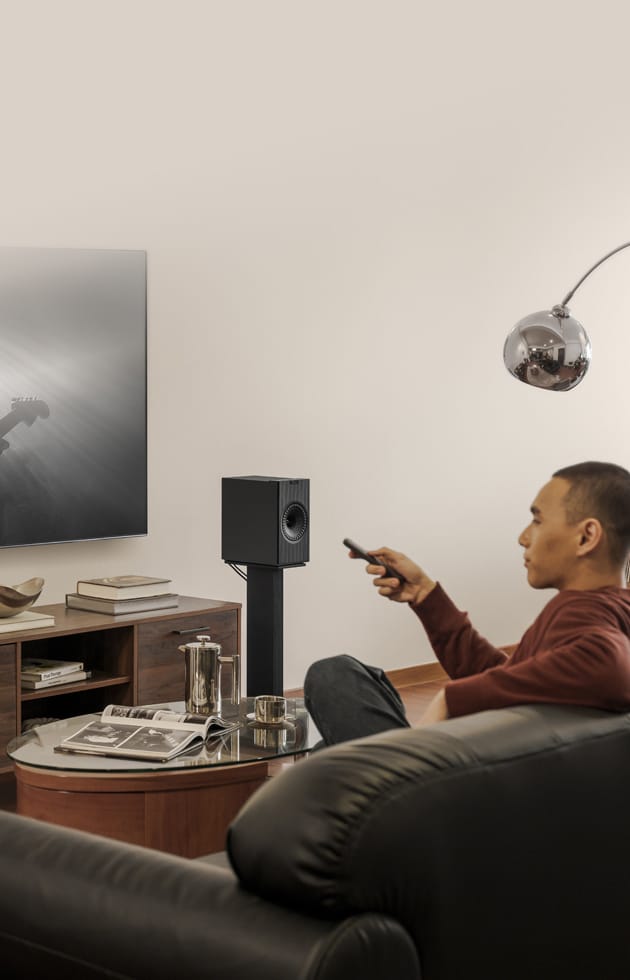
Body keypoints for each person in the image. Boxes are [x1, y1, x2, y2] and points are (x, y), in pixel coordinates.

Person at [304, 461, 630, 746]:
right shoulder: (609, 608)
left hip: (456, 798)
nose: (523, 537)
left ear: (586, 537)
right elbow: (508, 680)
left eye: (538, 521)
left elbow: (609, 664)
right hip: (495, 772)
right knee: (343, 709)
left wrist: (451, 699)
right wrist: (425, 595)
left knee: (333, 675)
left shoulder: (584, 616)